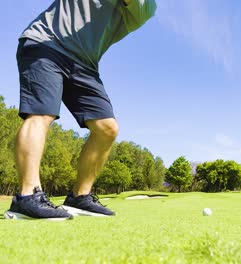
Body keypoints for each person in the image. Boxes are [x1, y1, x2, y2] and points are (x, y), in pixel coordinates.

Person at [3, 0, 157, 220]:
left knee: (107, 129)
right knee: (41, 114)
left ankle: (79, 197)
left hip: (84, 65)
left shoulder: (147, 6)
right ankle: (27, 197)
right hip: (46, 43)